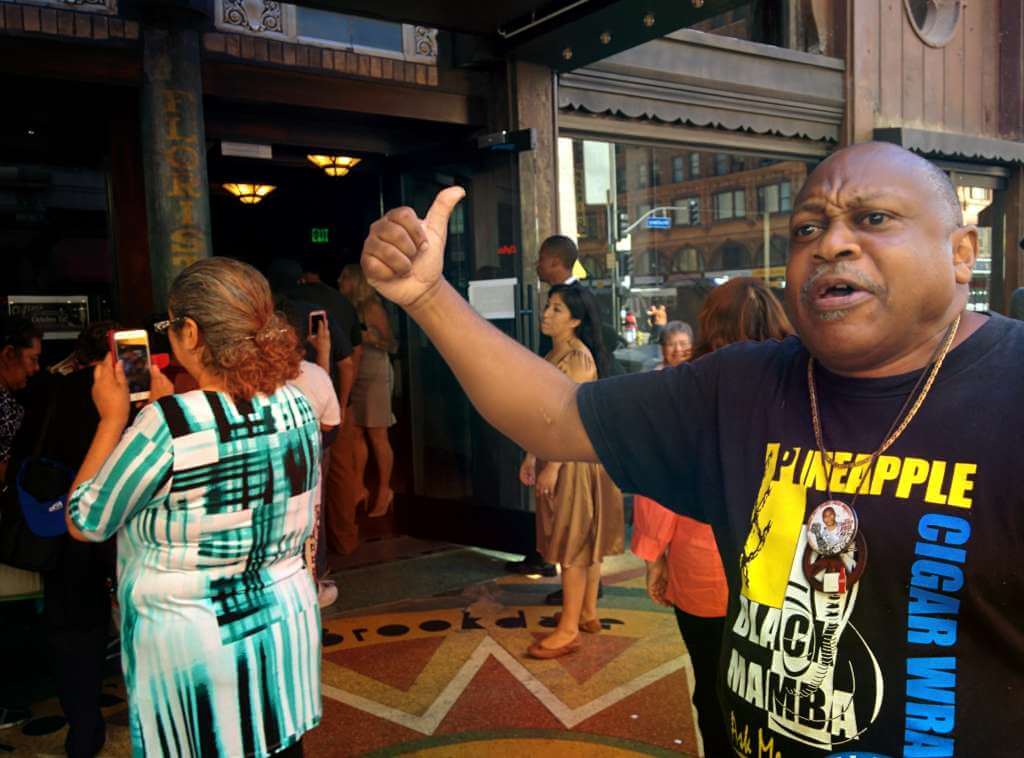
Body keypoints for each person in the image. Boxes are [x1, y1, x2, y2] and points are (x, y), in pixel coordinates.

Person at [361, 141, 1024, 756]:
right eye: (807, 228)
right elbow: (556, 416)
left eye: (873, 218)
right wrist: (428, 297)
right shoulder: (740, 384)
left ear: (962, 252)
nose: (831, 245)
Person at [66, 258, 322, 757]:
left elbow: (85, 520)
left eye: (169, 325)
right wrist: (165, 409)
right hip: (284, 623)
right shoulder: (297, 403)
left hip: (197, 648)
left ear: (189, 331)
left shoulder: (168, 424)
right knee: (278, 746)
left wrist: (112, 420)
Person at [634, 279, 792, 757]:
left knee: (713, 681)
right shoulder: (808, 379)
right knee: (778, 687)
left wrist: (652, 556)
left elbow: (662, 475)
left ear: (709, 327)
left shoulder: (693, 388)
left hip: (704, 564)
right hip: (785, 563)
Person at [519, 283, 622, 659]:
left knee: (573, 542)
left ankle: (568, 629)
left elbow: (570, 420)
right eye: (548, 306)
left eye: (557, 309)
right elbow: (544, 418)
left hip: (573, 462)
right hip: (566, 458)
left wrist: (552, 466)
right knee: (583, 538)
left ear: (576, 320)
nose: (547, 313)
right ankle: (588, 613)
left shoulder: (577, 359)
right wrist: (532, 457)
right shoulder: (555, 355)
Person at [0, 314, 42, 731]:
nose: (34, 369)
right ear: (7, 355)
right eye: (29, 359)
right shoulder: (5, 407)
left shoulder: (10, 402)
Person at [338, 264, 397, 519]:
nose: (339, 280)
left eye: (344, 277)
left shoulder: (373, 308)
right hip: (357, 372)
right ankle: (358, 487)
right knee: (355, 432)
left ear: (356, 282)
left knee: (377, 434)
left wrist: (371, 339)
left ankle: (385, 490)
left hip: (374, 373)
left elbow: (392, 344)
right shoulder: (346, 307)